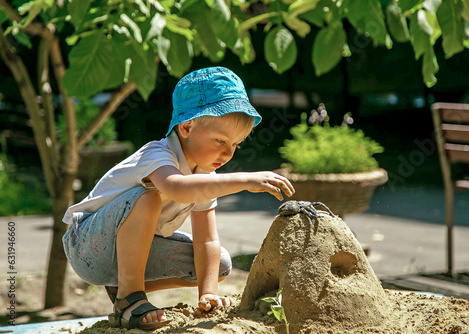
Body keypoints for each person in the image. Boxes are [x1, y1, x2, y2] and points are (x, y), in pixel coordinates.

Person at [62, 66, 295, 330]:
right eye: (220, 140)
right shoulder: (157, 155)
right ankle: (130, 298)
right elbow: (179, 188)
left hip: (121, 257)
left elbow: (207, 238)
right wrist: (244, 180)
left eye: (235, 144)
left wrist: (207, 293)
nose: (228, 152)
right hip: (86, 245)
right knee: (147, 197)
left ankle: (123, 288)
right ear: (186, 127)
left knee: (219, 263)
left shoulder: (204, 175)